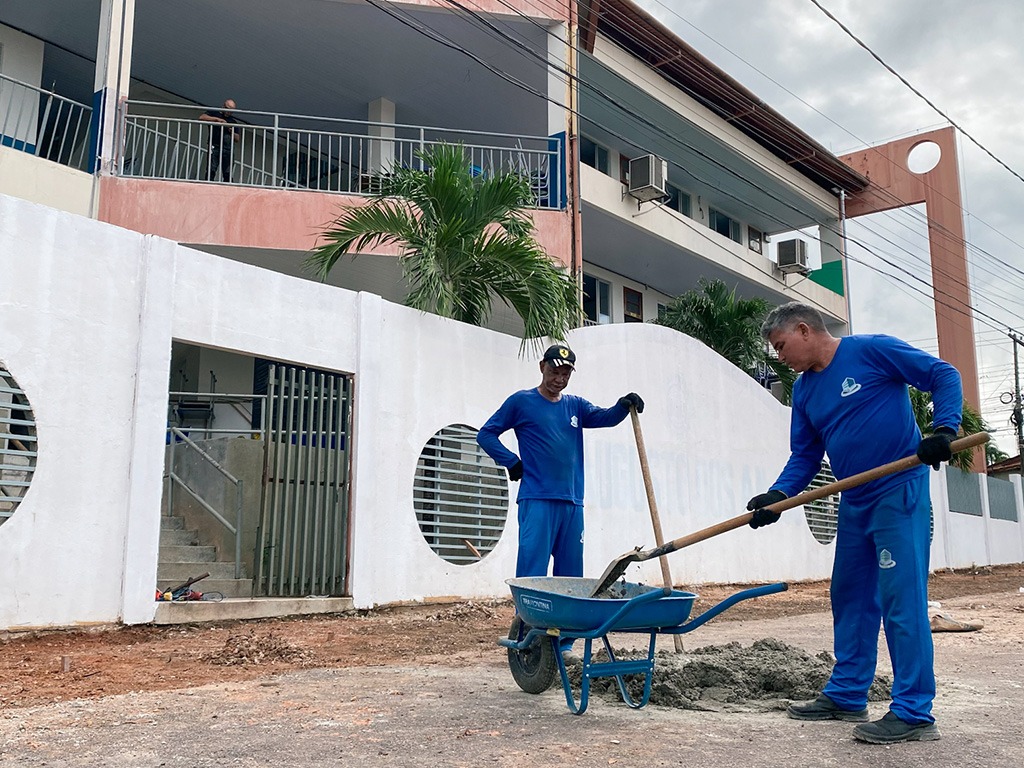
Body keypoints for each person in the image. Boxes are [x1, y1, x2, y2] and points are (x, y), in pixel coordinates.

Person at [746, 302, 962, 745]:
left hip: (898, 489)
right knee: (850, 598)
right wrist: (779, 496)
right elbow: (805, 454)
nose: (780, 357)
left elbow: (944, 375)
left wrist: (945, 429)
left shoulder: (872, 351)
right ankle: (847, 694)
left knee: (901, 601)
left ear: (804, 330)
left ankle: (914, 712)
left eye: (781, 346)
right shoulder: (804, 391)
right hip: (855, 497)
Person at [477, 344, 643, 583]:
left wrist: (623, 406)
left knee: (571, 575)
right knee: (532, 570)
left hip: (572, 502)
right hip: (537, 499)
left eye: (565, 374)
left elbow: (605, 417)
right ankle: (528, 620)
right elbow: (486, 435)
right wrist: (511, 461)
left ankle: (565, 621)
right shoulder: (521, 402)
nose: (559, 379)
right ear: (542, 367)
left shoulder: (575, 405)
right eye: (554, 372)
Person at [199, 99, 240, 182]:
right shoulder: (215, 114)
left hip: (227, 149)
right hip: (214, 146)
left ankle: (228, 188)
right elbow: (202, 117)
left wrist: (231, 130)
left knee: (227, 172)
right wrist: (217, 120)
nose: (229, 113)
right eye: (228, 110)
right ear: (223, 107)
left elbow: (237, 138)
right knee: (211, 169)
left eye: (232, 111)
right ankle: (208, 185)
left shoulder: (233, 121)